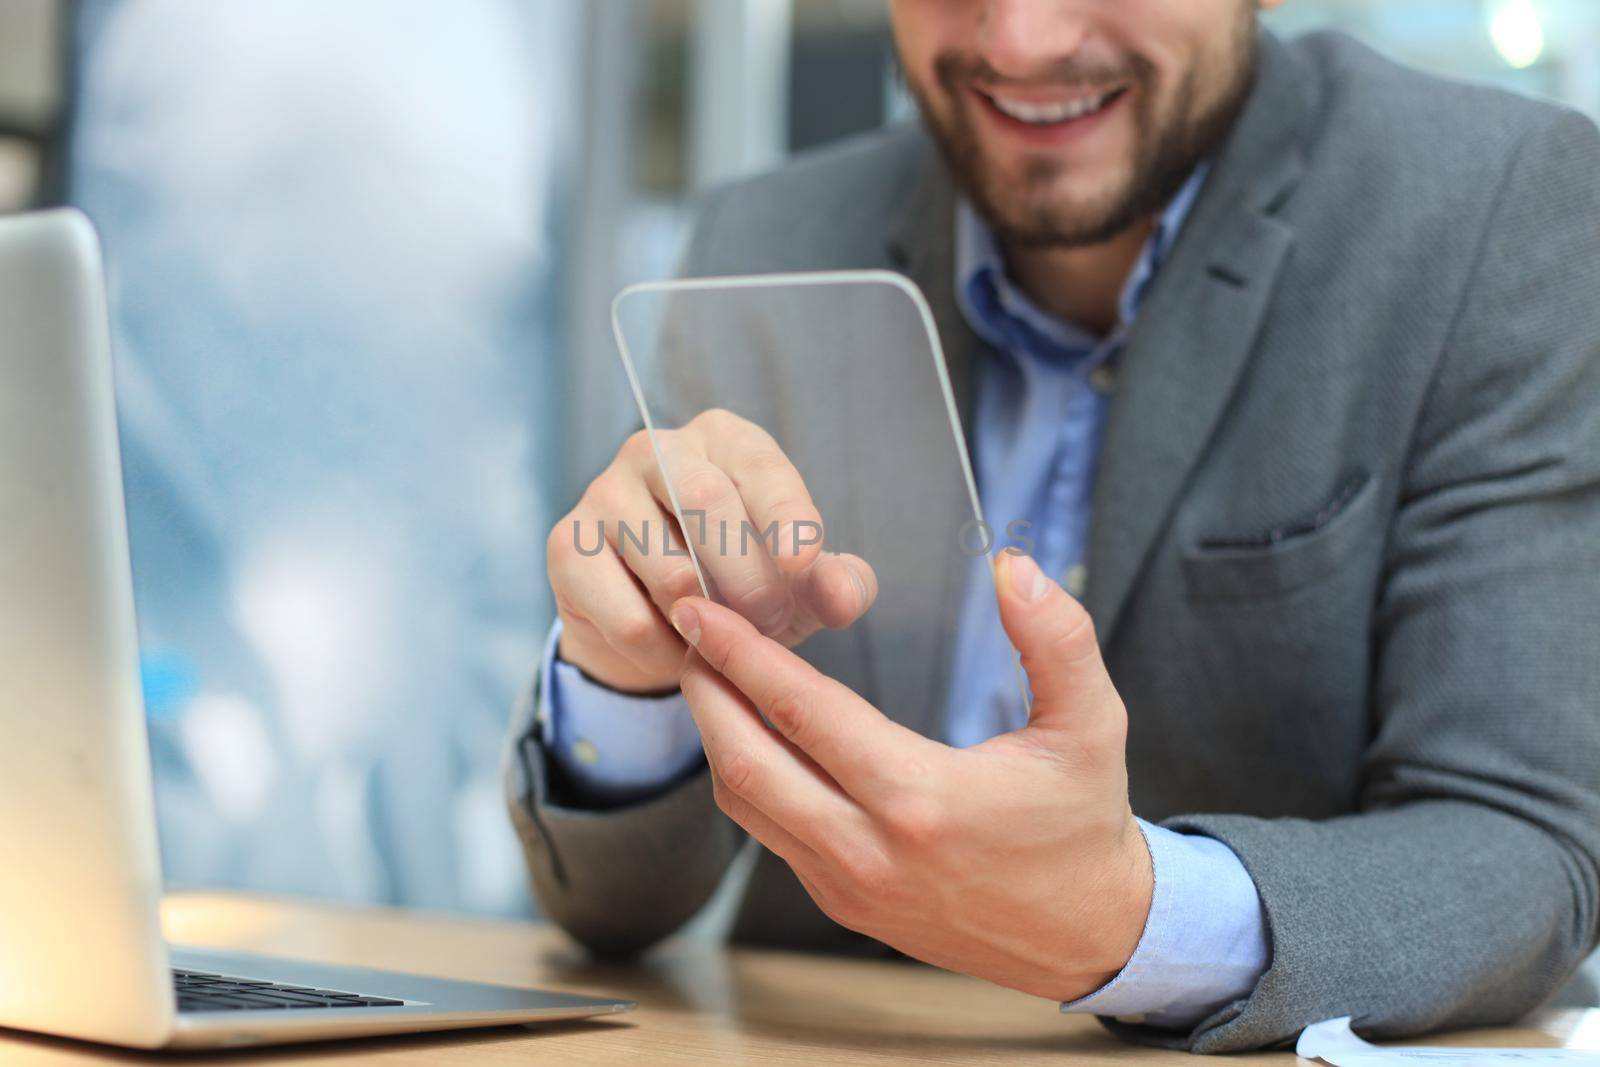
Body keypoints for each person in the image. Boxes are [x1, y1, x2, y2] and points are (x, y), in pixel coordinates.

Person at [504, 0, 1600, 1052]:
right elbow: (609, 910)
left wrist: (1132, 915)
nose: (1019, 40)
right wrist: (625, 683)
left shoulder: (1496, 210)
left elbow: (1527, 846)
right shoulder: (767, 233)